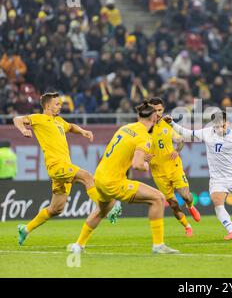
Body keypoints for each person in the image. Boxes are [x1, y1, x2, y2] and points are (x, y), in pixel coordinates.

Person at [69, 100, 179, 254]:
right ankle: (158, 245)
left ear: (138, 115)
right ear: (154, 119)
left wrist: (140, 158)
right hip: (114, 181)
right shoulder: (144, 137)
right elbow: (137, 165)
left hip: (99, 177)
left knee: (101, 210)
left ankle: (78, 245)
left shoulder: (125, 128)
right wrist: (147, 164)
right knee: (158, 198)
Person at [13, 92, 121, 245]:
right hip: (56, 166)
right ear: (48, 105)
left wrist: (83, 131)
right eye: (57, 104)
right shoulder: (39, 118)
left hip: (63, 167)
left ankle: (25, 229)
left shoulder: (58, 121)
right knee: (87, 176)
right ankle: (106, 209)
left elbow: (70, 127)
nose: (60, 107)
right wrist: (23, 130)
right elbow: (17, 119)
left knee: (56, 208)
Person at [164, 111, 232, 240]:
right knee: (217, 202)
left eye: (223, 125)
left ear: (228, 123)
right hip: (217, 178)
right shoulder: (207, 132)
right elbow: (187, 133)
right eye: (217, 126)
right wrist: (172, 123)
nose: (220, 129)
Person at [148, 97, 201, 237]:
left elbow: (181, 140)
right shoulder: (145, 128)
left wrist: (176, 151)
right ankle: (187, 226)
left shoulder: (167, 124)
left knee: (186, 196)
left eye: (159, 110)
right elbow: (137, 149)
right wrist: (144, 157)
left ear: (163, 109)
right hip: (158, 172)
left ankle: (190, 206)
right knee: (173, 204)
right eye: (154, 110)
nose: (157, 113)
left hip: (174, 167)